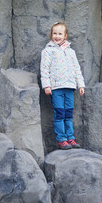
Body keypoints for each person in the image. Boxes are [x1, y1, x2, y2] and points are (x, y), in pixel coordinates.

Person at [40, 22, 85, 150]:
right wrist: (46, 85)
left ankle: (70, 138)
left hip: (70, 87)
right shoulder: (48, 51)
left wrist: (80, 84)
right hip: (56, 88)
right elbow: (44, 69)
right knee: (59, 113)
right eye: (55, 33)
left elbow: (77, 69)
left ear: (65, 35)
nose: (57, 36)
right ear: (51, 35)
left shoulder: (71, 52)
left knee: (69, 113)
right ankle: (61, 139)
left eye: (60, 33)